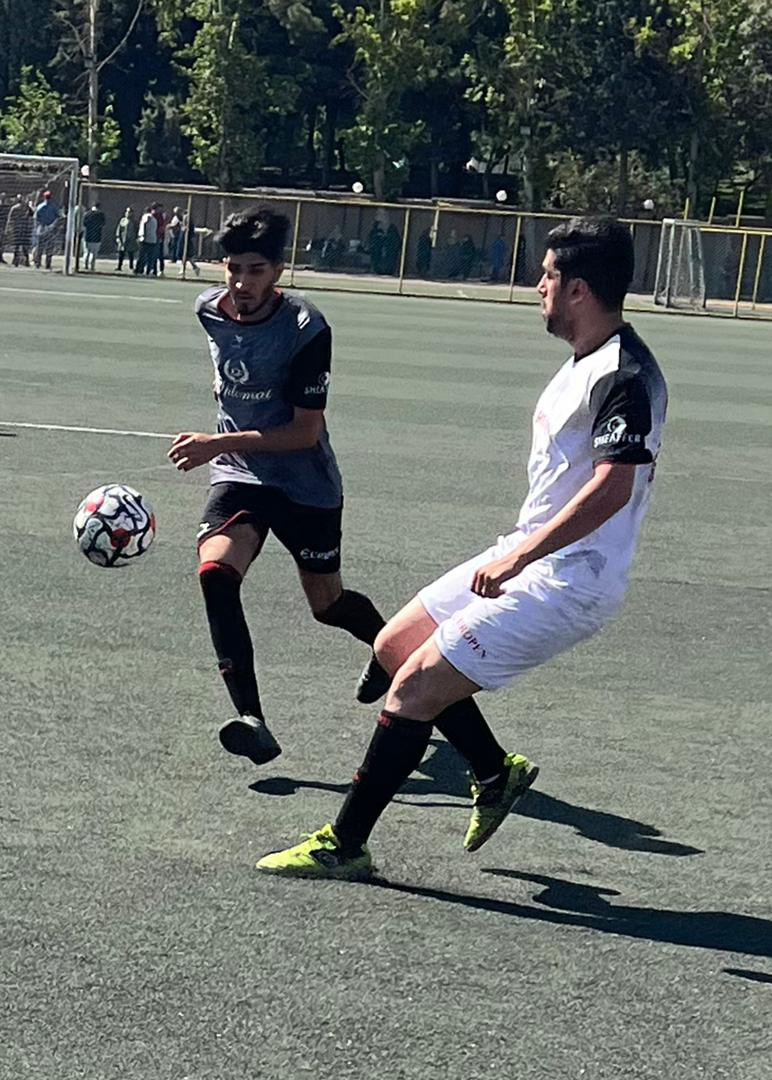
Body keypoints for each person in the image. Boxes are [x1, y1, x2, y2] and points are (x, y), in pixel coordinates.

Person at [255, 216, 668, 880]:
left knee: (415, 686)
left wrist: (519, 559)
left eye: (548, 276)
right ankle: (493, 771)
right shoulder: (586, 362)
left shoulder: (624, 373)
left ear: (579, 289)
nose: (538, 286)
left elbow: (613, 486)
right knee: (394, 646)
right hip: (533, 551)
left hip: (571, 578)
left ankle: (345, 845)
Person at [167, 206, 385, 766]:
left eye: (255, 270)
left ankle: (392, 651)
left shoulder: (306, 329)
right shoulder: (207, 311)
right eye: (233, 268)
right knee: (215, 574)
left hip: (305, 482)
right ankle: (252, 719)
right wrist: (225, 447)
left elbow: (304, 431)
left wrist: (216, 442)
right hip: (240, 474)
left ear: (279, 271)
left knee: (328, 605)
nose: (241, 282)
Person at [33, 190, 60, 269]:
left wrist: (36, 228)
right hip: (49, 228)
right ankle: (46, 264)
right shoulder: (54, 207)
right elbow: (58, 217)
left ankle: (38, 263)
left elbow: (35, 218)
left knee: (40, 247)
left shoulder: (40, 206)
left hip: (42, 228)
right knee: (48, 247)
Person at [7, 194, 32, 266]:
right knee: (22, 245)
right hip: (22, 228)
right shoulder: (23, 208)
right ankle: (25, 261)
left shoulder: (16, 208)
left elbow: (10, 219)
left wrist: (9, 228)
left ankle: (16, 261)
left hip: (18, 228)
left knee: (17, 245)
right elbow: (32, 214)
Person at [134, 207, 158, 276]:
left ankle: (141, 270)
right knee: (148, 256)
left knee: (143, 256)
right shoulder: (151, 217)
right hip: (150, 239)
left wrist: (143, 235)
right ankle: (146, 270)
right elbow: (145, 225)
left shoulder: (148, 217)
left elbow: (145, 225)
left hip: (147, 239)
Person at [82, 203, 105, 271]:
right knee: (94, 253)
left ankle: (85, 265)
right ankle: (92, 266)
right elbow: (103, 224)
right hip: (97, 236)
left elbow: (84, 224)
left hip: (87, 235)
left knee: (86, 252)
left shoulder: (87, 214)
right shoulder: (101, 215)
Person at [177, 209, 200, 277]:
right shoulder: (183, 223)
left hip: (187, 240)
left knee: (187, 255)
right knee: (183, 255)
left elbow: (190, 233)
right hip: (183, 239)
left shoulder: (190, 226)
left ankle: (192, 267)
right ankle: (187, 268)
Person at [115, 207, 138, 271]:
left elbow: (137, 230)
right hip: (123, 239)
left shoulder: (134, 221)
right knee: (121, 253)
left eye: (129, 212)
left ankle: (131, 267)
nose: (127, 213)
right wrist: (118, 237)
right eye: (127, 212)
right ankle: (119, 266)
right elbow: (119, 229)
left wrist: (136, 238)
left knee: (131, 254)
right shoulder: (123, 220)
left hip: (131, 240)